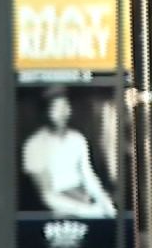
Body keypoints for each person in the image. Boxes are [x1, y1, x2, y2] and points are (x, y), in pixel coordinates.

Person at [21, 89, 116, 219]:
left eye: (65, 106)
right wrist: (88, 211)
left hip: (84, 199)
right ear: (46, 112)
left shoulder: (77, 139)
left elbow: (88, 176)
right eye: (56, 108)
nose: (62, 113)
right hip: (57, 209)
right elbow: (47, 195)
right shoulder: (34, 145)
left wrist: (106, 204)